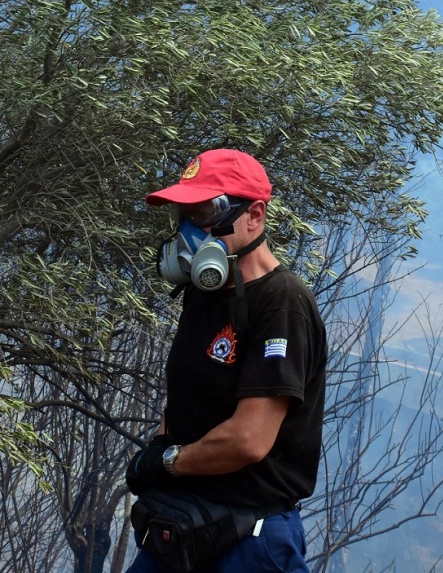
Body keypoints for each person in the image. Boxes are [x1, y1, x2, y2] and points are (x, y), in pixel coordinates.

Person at [125, 149, 327, 573]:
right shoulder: (206, 291)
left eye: (204, 212)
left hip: (249, 536)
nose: (190, 229)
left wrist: (165, 463)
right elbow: (185, 397)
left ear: (254, 214)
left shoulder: (282, 303)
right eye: (183, 213)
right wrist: (165, 441)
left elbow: (247, 440)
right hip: (185, 520)